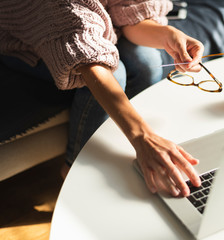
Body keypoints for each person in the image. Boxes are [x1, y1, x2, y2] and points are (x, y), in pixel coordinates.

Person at [0, 0, 203, 197]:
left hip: (92, 24)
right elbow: (87, 59)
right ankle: (73, 166)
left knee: (146, 61)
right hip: (29, 35)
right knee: (116, 74)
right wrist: (143, 137)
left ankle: (124, 140)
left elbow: (130, 14)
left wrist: (170, 35)